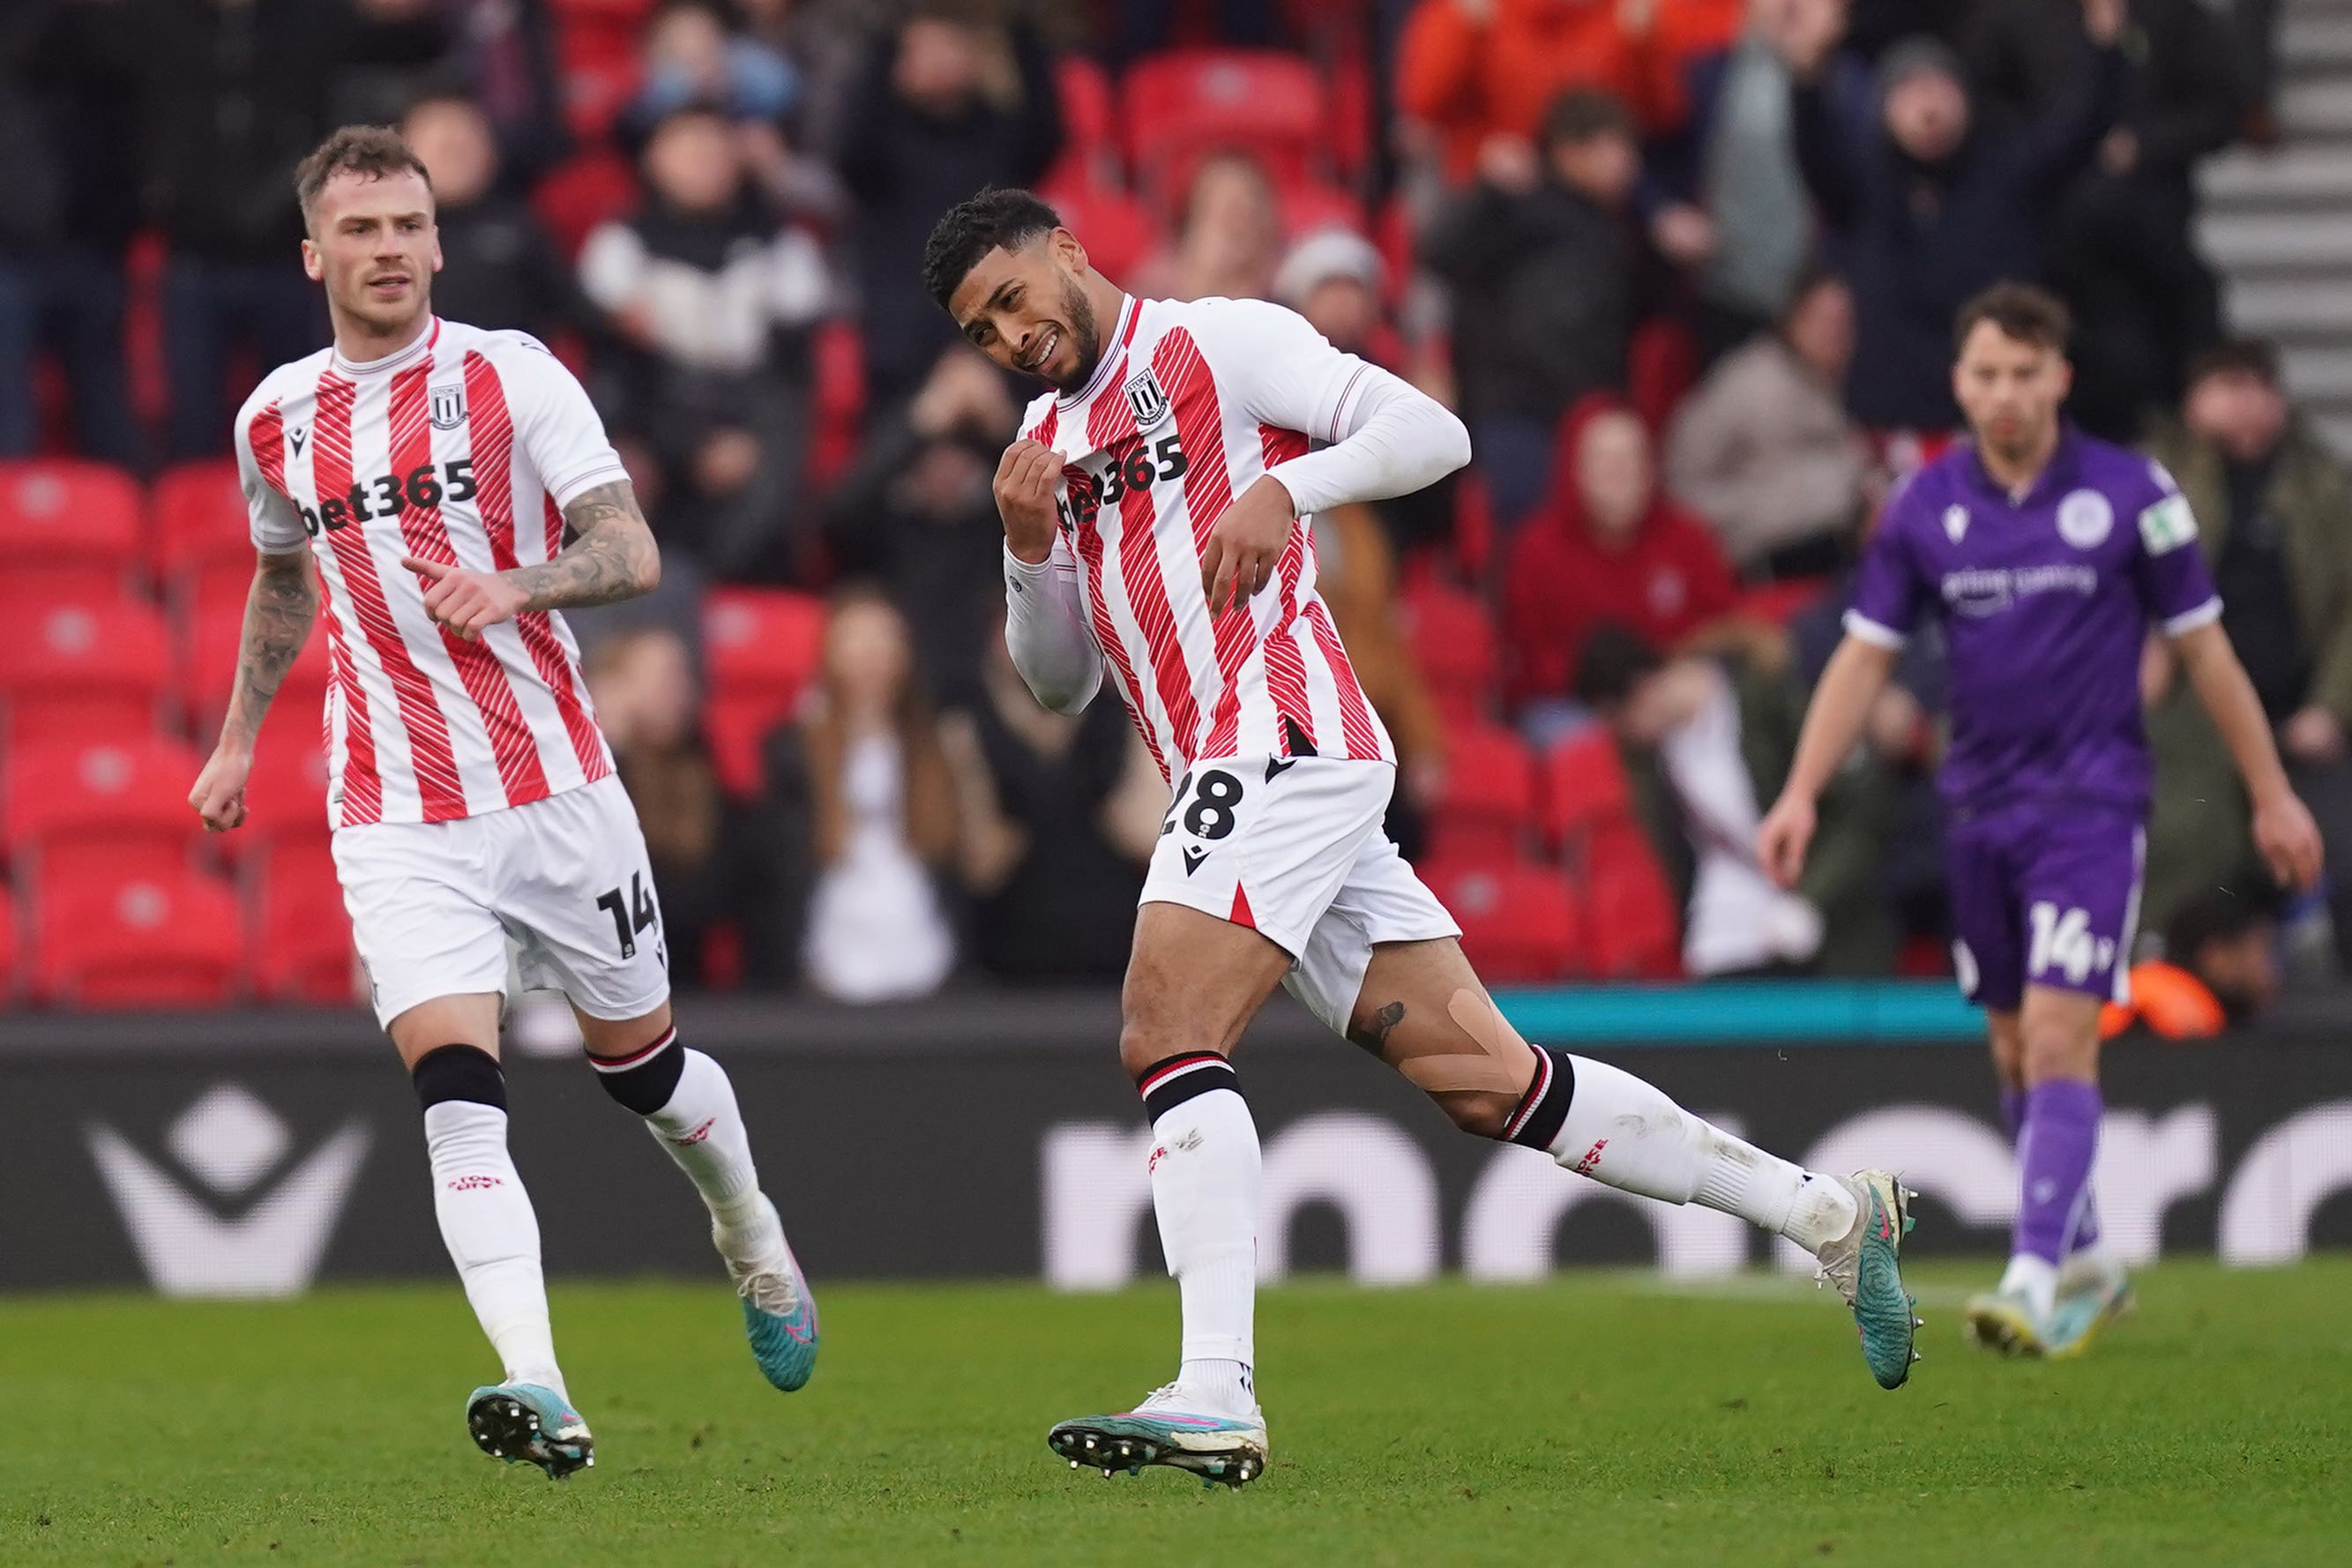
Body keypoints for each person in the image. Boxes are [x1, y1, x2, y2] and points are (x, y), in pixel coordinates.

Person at [923, 184, 1923, 1487]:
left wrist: (1289, 488)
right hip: (1230, 767)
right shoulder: (1045, 442)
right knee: (1491, 1080)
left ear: (1065, 250)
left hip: (1282, 729)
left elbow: (1432, 431)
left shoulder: (1217, 342)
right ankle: (1826, 1213)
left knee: (1162, 1019)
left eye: (1010, 296)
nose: (1006, 334)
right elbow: (1056, 686)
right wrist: (1022, 549)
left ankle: (1213, 1387)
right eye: (977, 329)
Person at [185, 126, 818, 1480]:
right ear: (315, 255)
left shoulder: (511, 374)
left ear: (437, 238)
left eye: (408, 225)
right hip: (395, 810)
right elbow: (285, 577)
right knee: (457, 1093)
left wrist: (519, 586)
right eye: (360, 231)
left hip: (557, 791)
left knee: (642, 1073)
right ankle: (538, 1381)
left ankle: (752, 1238)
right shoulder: (276, 419)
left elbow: (630, 545)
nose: (390, 249)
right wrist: (239, 739)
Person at [1758, 282, 2325, 1362]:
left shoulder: (2130, 495)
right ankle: (2095, 1259)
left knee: (2064, 1034)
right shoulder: (1926, 507)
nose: (2006, 393)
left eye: (2026, 373)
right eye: (1987, 374)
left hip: (2093, 810)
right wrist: (1799, 789)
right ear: (1960, 383)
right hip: (1979, 811)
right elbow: (1864, 656)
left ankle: (2030, 1276)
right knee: (2018, 1048)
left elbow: (2204, 649)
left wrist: (2270, 791)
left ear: (2060, 377)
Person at [1781, 0, 2127, 432]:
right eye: (1909, 92)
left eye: (1940, 90)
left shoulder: (2007, 175)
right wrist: (1807, 77)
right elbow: (1814, 152)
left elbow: (2082, 124)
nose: (1927, 107)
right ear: (1884, 110)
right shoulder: (1863, 189)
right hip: (1892, 418)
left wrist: (2106, 40)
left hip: (1993, 415)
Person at [2141, 340, 2352, 963]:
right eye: (2229, 386)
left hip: (2296, 716)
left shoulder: (2323, 485)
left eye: (2260, 386)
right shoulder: (2154, 481)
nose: (2248, 403)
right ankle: (2165, 975)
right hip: (2188, 727)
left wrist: (2330, 709)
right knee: (2184, 839)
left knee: (2334, 837)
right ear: (2191, 400)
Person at [1420, 89, 1676, 530]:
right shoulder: (1516, 204)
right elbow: (1438, 251)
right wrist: (1486, 190)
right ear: (1568, 149)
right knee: (1523, 536)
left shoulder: (1618, 227)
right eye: (1612, 146)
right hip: (1516, 410)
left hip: (1589, 414)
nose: (1626, 162)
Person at [763, 588, 960, 1003]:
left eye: (885, 638)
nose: (872, 654)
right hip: (829, 955)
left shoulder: (934, 746)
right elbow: (780, 864)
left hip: (922, 953)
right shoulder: (792, 751)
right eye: (857, 639)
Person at [1666, 267, 1876, 578]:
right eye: (1821, 321)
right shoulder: (1752, 384)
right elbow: (1680, 481)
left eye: (1843, 324)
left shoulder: (1823, 380)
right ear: (1792, 320)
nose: (1834, 335)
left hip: (1812, 545)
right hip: (1750, 557)